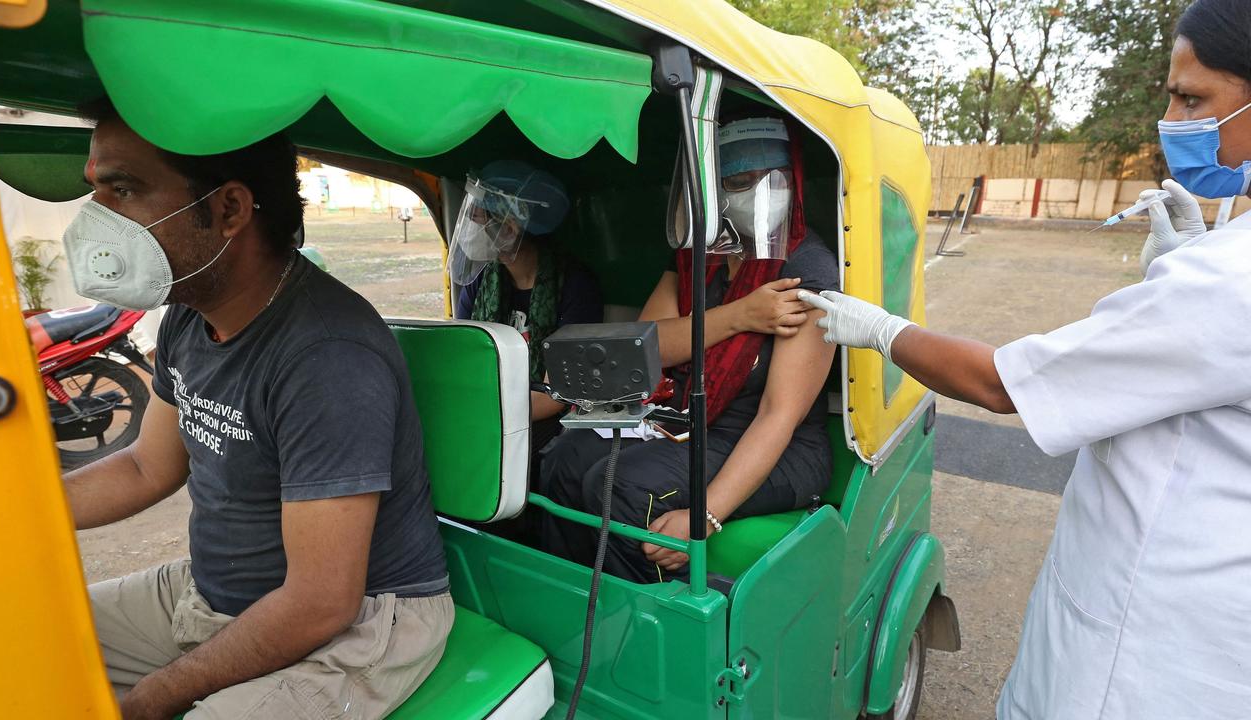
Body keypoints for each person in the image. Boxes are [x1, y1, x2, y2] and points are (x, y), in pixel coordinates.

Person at [800, 2, 1251, 717]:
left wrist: (882, 329)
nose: (1172, 119)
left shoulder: (1232, 282)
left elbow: (1001, 383)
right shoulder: (1225, 267)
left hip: (1148, 654)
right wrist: (1192, 264)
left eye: (1193, 98)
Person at [60, 98, 451, 720]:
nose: (96, 218)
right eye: (96, 190)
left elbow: (322, 601)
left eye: (124, 189)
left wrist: (157, 693)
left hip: (361, 624)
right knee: (12, 634)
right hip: (214, 596)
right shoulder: (189, 315)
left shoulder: (326, 356)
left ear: (228, 209)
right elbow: (145, 468)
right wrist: (12, 508)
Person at [541, 116, 839, 584]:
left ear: (792, 181)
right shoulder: (700, 256)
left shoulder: (809, 270)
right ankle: (581, 597)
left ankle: (642, 627)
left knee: (621, 485)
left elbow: (779, 415)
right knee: (564, 458)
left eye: (770, 181)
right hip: (690, 422)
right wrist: (740, 315)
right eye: (738, 183)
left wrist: (706, 516)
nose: (757, 194)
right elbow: (643, 350)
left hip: (777, 446)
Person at [449, 160, 602, 450]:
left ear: (509, 229)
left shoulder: (575, 286)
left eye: (478, 216)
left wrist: (487, 419)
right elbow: (462, 359)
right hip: (486, 410)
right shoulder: (480, 282)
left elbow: (556, 394)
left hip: (540, 418)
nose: (470, 224)